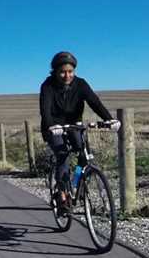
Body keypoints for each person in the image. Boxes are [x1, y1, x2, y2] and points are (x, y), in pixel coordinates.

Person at [39, 51, 119, 211]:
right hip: (54, 127)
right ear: (55, 72)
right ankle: (62, 194)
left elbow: (94, 102)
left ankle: (76, 184)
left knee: (83, 155)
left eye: (70, 71)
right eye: (62, 72)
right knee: (63, 156)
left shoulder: (80, 84)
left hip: (74, 125)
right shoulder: (47, 86)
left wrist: (109, 119)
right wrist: (51, 126)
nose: (67, 75)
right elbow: (45, 110)